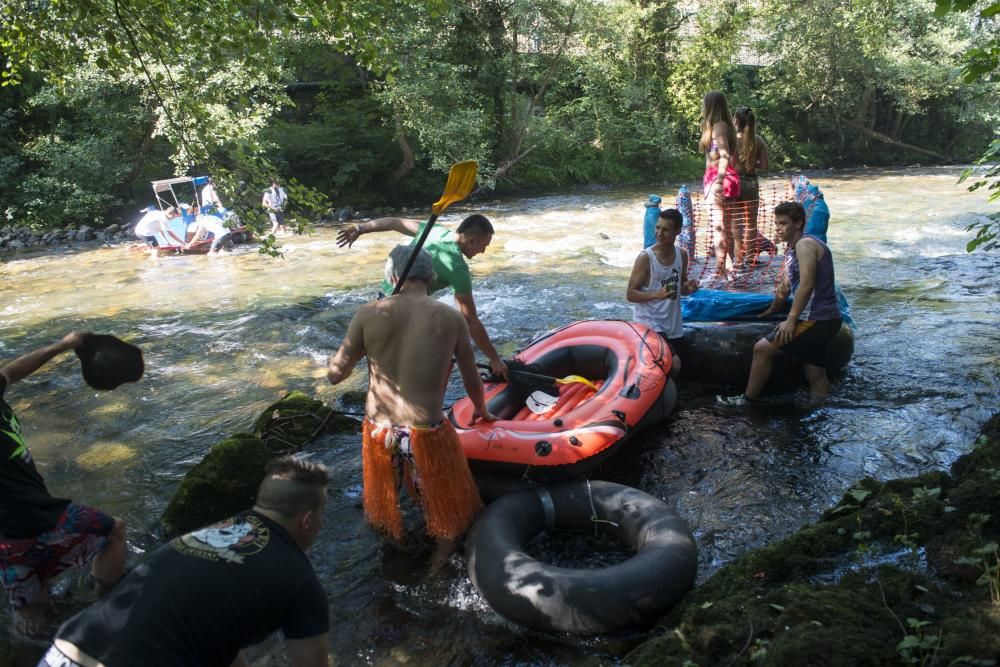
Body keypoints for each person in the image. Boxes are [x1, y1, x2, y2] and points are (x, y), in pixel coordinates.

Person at [41, 456, 331, 667]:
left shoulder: (213, 533)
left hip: (62, 652)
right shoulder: (300, 579)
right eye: (321, 513)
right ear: (307, 520)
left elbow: (215, 638)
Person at [326, 245, 496, 559]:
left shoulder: (368, 314)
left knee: (385, 504)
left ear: (391, 276)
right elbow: (472, 378)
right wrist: (482, 409)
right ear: (430, 277)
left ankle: (395, 549)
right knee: (446, 509)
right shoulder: (451, 317)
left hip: (380, 430)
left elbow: (335, 375)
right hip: (426, 431)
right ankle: (436, 568)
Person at [0, 333, 127, 635]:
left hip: (5, 538)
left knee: (32, 611)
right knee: (114, 530)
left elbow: (10, 372)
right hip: (37, 517)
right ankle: (105, 605)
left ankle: (34, 649)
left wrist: (61, 345)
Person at [336, 213, 509, 380]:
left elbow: (394, 222)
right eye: (484, 246)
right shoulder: (458, 269)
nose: (484, 251)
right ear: (472, 241)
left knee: (380, 360)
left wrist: (360, 229)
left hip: (383, 301)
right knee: (443, 354)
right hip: (408, 312)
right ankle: (431, 401)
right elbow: (470, 320)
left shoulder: (435, 230)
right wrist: (494, 359)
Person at [719, 201, 843, 406]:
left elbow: (806, 284)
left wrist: (791, 320)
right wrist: (773, 309)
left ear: (798, 223)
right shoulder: (792, 249)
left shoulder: (805, 245)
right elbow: (786, 287)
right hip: (829, 318)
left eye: (783, 223)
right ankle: (823, 410)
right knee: (815, 373)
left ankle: (748, 401)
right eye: (776, 223)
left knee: (761, 349)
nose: (778, 228)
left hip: (816, 318)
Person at [626, 209, 699, 379]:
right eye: (657, 228)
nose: (659, 233)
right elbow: (630, 294)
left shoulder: (682, 254)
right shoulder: (645, 258)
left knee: (680, 368)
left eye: (665, 229)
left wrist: (689, 287)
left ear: (677, 231)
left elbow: (682, 286)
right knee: (674, 365)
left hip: (673, 325)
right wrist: (655, 295)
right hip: (649, 324)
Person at [699, 91, 741, 277]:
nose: (702, 107)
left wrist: (719, 181)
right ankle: (728, 266)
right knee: (724, 226)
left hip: (720, 179)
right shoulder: (718, 127)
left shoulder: (719, 127)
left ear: (710, 106)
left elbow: (724, 155)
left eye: (704, 104)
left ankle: (720, 269)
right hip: (718, 178)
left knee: (719, 226)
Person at [733, 106, 773, 258]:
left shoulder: (731, 139)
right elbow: (764, 167)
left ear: (735, 120)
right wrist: (751, 163)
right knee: (751, 224)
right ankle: (750, 257)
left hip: (734, 183)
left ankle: (738, 258)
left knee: (736, 222)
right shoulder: (758, 140)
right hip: (751, 183)